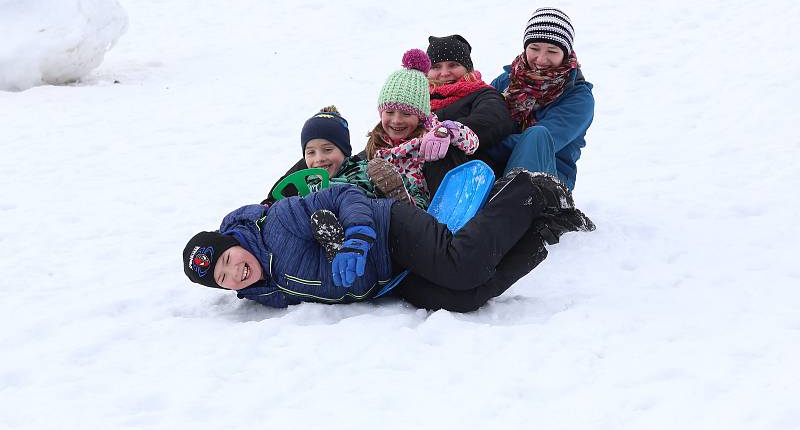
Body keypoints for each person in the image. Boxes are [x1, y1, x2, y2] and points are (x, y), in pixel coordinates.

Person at [182, 169, 595, 312]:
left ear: (233, 241)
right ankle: (539, 230)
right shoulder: (263, 291)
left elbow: (346, 195)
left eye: (227, 259)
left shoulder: (276, 224)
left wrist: (356, 239)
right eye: (222, 278)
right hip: (388, 277)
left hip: (389, 228)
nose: (234, 272)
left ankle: (528, 191)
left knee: (461, 265)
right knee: (463, 298)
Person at [490, 8, 594, 191]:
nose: (541, 59)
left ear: (566, 53)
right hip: (495, 169)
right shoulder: (507, 81)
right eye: (534, 48)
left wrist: (479, 142)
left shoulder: (578, 98)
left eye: (552, 51)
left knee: (536, 135)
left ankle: (515, 206)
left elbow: (541, 142)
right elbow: (481, 115)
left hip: (545, 181)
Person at [364, 49, 479, 202]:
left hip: (429, 203)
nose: (396, 120)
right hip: (386, 209)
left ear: (420, 117)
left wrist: (448, 131)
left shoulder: (432, 131)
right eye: (389, 112)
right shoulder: (376, 142)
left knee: (445, 151)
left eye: (406, 114)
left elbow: (472, 143)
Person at [264, 106, 426, 207]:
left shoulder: (366, 171)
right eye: (311, 152)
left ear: (344, 151)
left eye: (327, 150)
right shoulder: (305, 186)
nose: (319, 158)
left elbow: (412, 189)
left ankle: (402, 208)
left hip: (369, 224)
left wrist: (410, 201)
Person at [423, 34, 514, 191]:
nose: (444, 73)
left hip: (469, 174)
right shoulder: (416, 101)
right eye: (436, 67)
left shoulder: (483, 93)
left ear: (467, 68)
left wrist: (448, 132)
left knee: (443, 149)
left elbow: (493, 118)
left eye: (453, 65)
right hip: (417, 175)